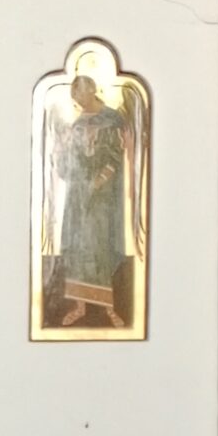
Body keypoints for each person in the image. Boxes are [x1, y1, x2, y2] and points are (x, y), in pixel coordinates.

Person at [55, 75, 128, 330]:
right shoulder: (77, 124)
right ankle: (80, 307)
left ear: (92, 91)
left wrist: (97, 182)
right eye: (74, 98)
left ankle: (109, 309)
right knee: (78, 249)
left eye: (80, 96)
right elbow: (66, 168)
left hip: (101, 199)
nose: (77, 102)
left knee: (99, 249)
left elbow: (115, 158)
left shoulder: (111, 120)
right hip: (77, 198)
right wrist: (61, 150)